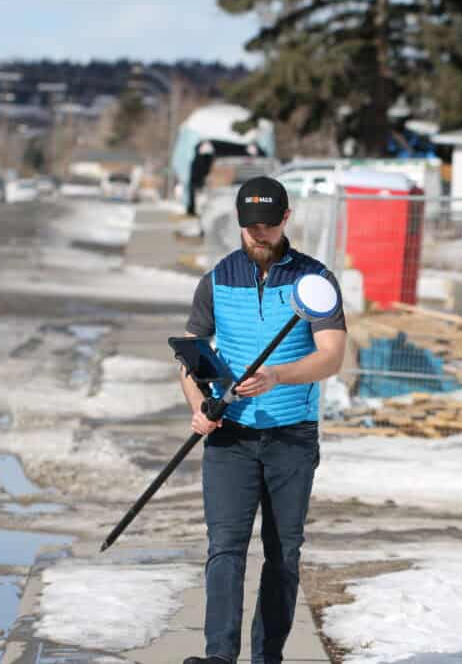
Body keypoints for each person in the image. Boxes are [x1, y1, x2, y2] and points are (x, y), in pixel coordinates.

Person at [180, 176, 346, 664]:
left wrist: (279, 375)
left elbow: (332, 357)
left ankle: (266, 659)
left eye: (269, 226)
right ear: (238, 223)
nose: (260, 235)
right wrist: (198, 405)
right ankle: (218, 658)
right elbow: (190, 356)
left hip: (291, 439)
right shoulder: (216, 279)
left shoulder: (315, 280)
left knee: (282, 557)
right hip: (230, 438)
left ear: (286, 221)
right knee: (224, 551)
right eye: (251, 227)